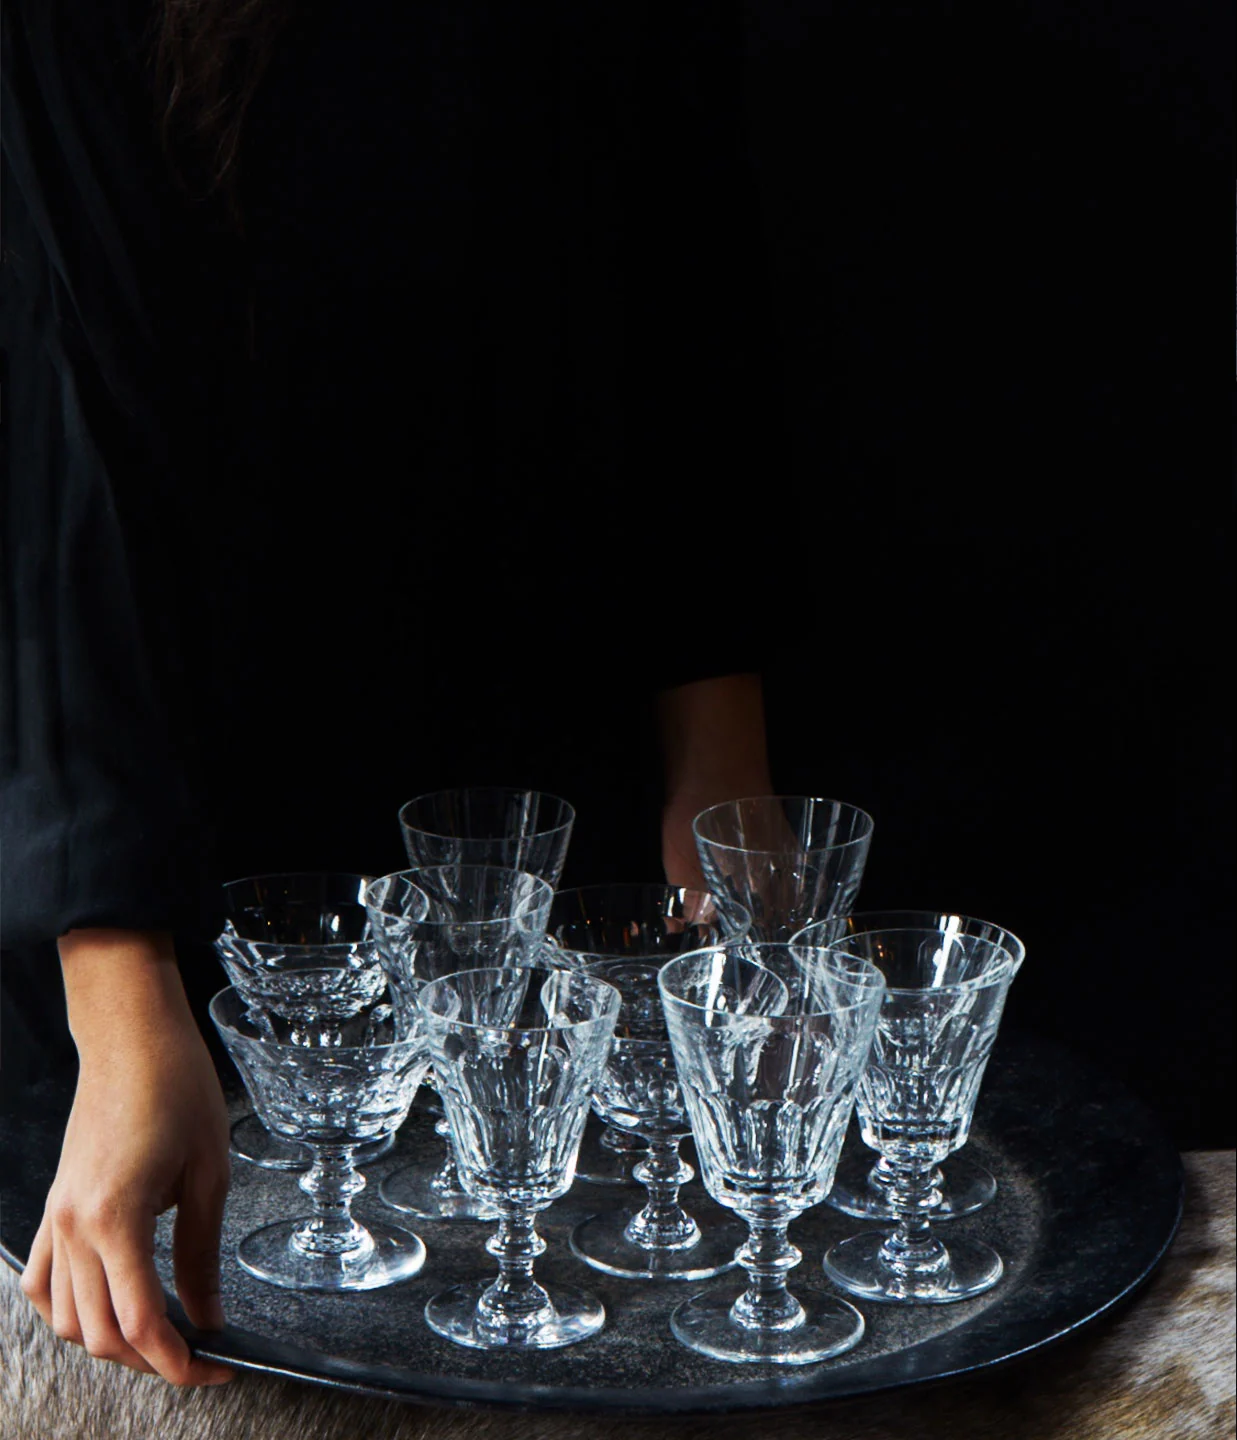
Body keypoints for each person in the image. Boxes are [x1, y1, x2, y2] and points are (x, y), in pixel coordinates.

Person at [0, 0, 784, 1386]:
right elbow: (62, 407)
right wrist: (118, 986)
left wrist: (721, 763)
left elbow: (681, 276)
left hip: (539, 785)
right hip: (166, 828)